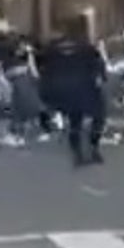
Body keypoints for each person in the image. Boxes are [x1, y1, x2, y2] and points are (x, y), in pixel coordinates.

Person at [47, 16, 106, 166]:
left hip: (65, 89)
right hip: (86, 86)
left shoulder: (52, 47)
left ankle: (77, 153)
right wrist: (100, 77)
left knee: (75, 122)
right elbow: (98, 64)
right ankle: (94, 147)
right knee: (98, 116)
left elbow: (46, 70)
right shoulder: (85, 46)